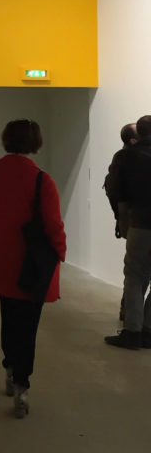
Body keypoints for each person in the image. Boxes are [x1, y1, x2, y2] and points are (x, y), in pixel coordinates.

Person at [0, 119, 66, 418]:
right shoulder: (41, 179)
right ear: (36, 142)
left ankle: (10, 367)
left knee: (9, 317)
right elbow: (52, 224)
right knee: (29, 325)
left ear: (5, 140)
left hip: (0, 260)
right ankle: (22, 383)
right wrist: (60, 251)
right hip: (31, 264)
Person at [105, 115, 151, 350]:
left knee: (134, 275)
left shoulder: (127, 156)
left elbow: (115, 189)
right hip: (140, 221)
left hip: (141, 222)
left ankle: (132, 331)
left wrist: (120, 218)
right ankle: (148, 331)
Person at [104, 123, 142, 321]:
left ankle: (131, 316)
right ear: (134, 140)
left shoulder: (125, 158)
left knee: (135, 270)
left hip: (134, 220)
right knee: (136, 271)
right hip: (136, 220)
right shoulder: (127, 159)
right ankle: (132, 318)